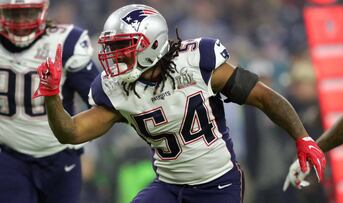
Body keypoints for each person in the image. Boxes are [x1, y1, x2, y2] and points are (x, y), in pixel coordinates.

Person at [33, 4, 326, 203]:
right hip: (169, 187)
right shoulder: (116, 89)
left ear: (151, 45)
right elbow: (70, 133)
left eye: (123, 49)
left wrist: (301, 137)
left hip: (217, 185)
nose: (115, 59)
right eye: (113, 50)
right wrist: (50, 97)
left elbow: (263, 96)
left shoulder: (198, 62)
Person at [0, 0, 99, 202]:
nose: (21, 22)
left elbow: (96, 99)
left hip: (60, 154)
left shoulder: (65, 41)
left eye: (28, 13)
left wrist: (83, 136)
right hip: (9, 155)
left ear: (43, 10)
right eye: (13, 14)